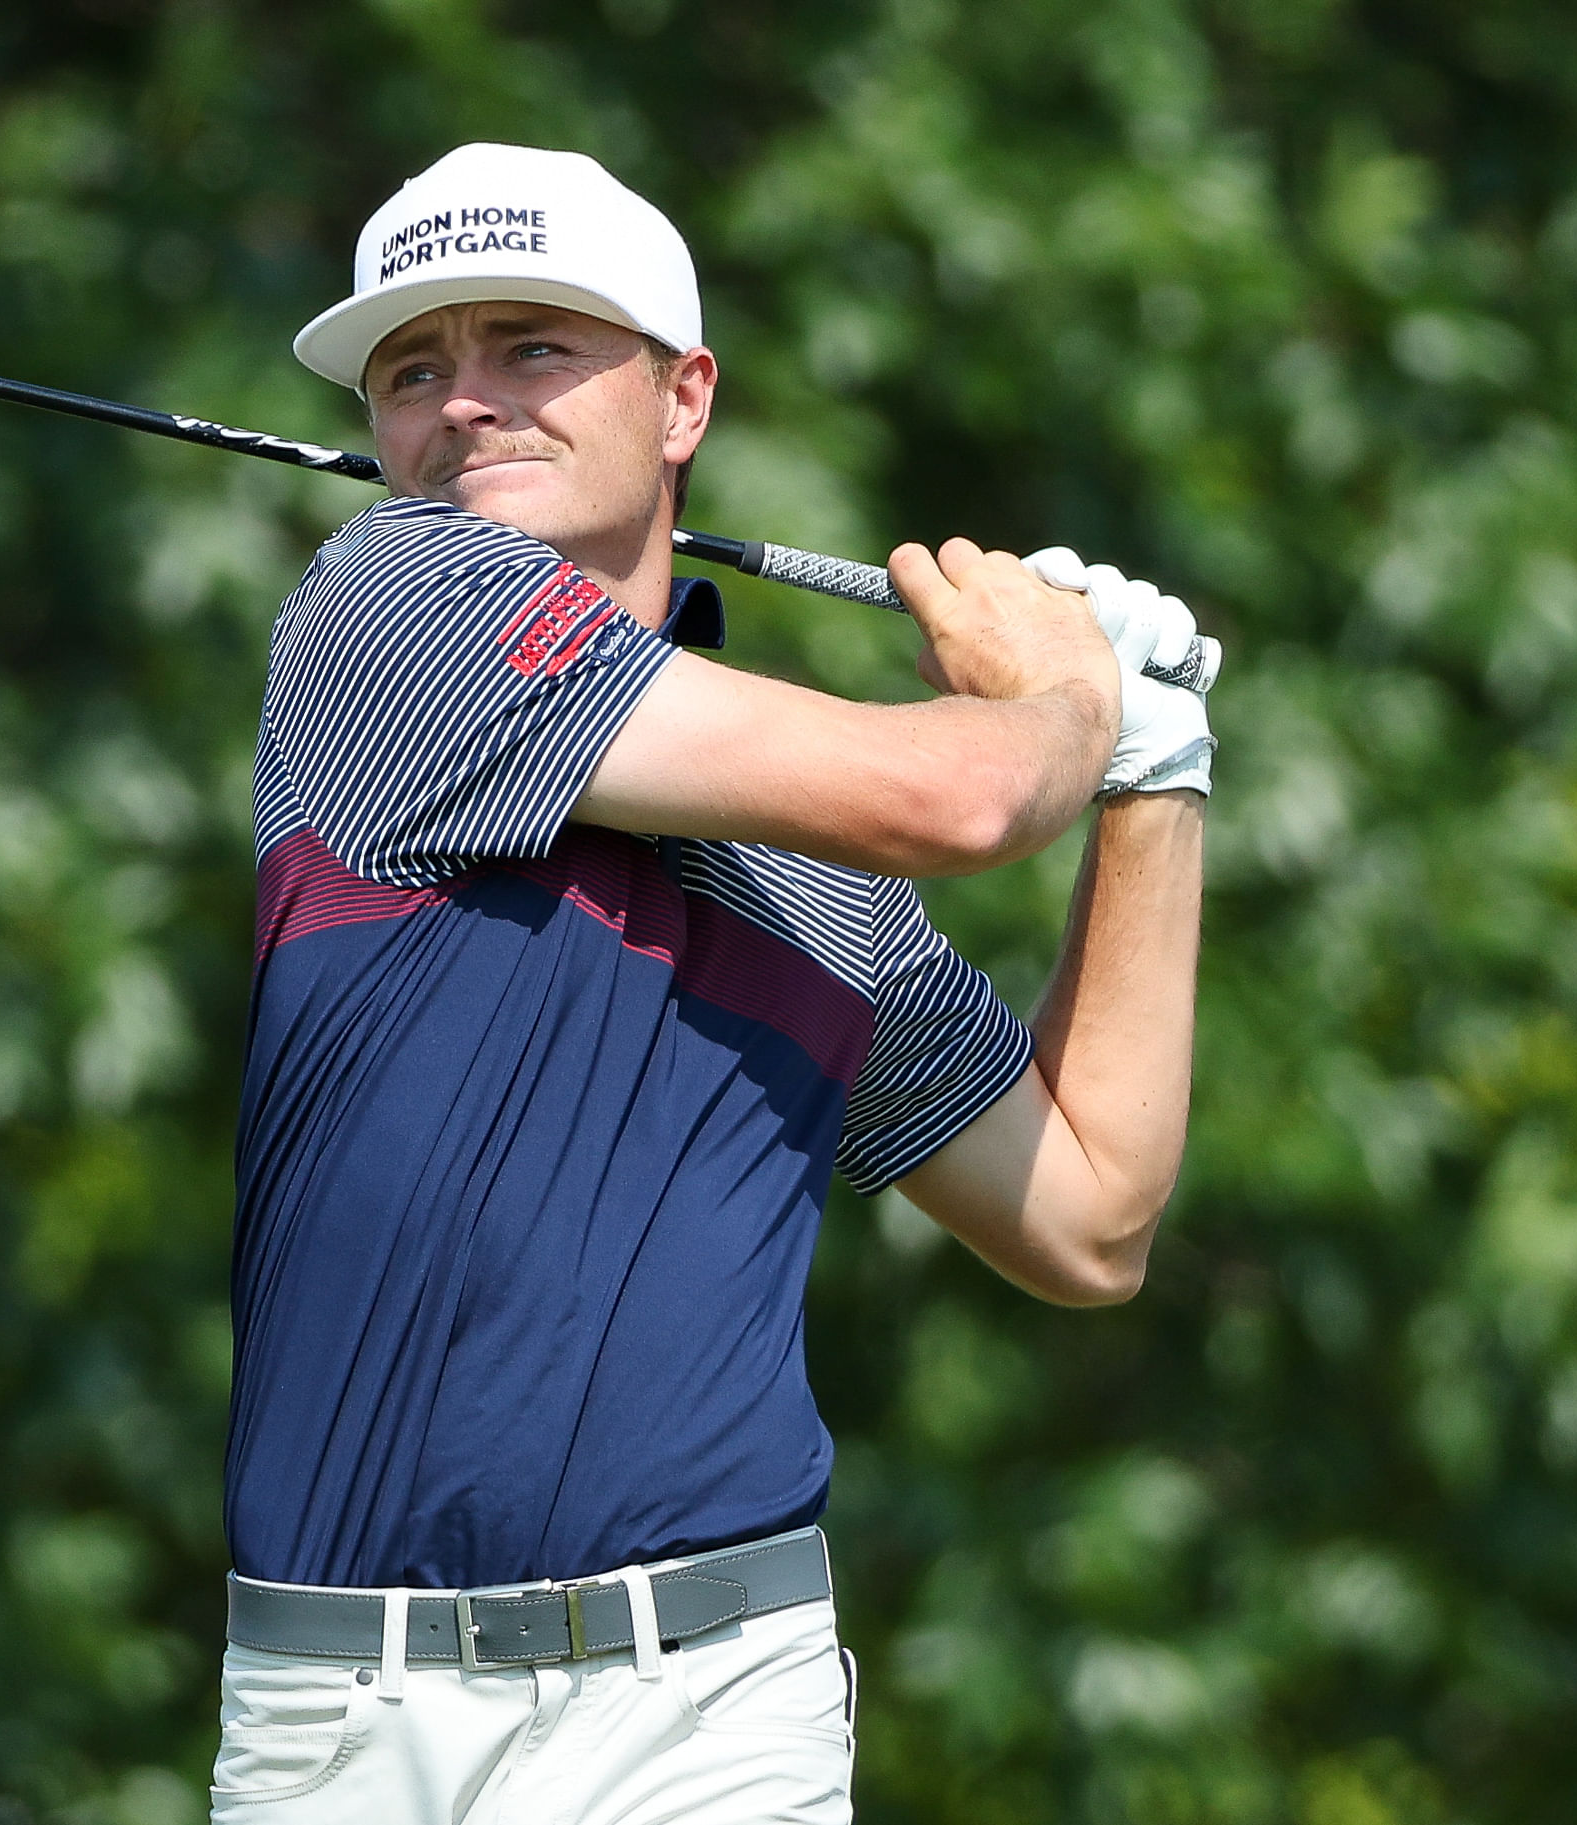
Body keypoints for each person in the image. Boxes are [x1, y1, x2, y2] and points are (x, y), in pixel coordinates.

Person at [213, 142, 1212, 1822]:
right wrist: (1068, 697)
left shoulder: (811, 874)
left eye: (531, 347)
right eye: (411, 369)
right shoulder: (388, 600)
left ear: (681, 401)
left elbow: (1090, 1212)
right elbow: (963, 794)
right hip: (344, 1717)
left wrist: (1152, 776)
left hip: (707, 1712)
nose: (462, 405)